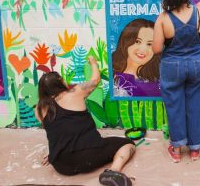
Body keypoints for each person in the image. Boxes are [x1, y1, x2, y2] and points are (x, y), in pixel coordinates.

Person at [35, 57, 135, 186]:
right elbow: (95, 80)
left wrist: (54, 151)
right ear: (60, 83)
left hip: (60, 165)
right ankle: (113, 171)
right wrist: (93, 62)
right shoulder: (75, 92)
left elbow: (56, 131)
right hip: (85, 158)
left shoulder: (38, 109)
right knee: (127, 144)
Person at [152, 0, 200, 162]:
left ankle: (176, 150)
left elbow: (157, 49)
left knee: (174, 105)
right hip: (197, 64)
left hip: (172, 66)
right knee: (195, 106)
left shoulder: (162, 19)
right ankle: (194, 150)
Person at [112, 18, 161, 97]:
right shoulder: (112, 74)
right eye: (137, 41)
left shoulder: (158, 78)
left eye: (149, 44)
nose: (143, 49)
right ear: (125, 41)